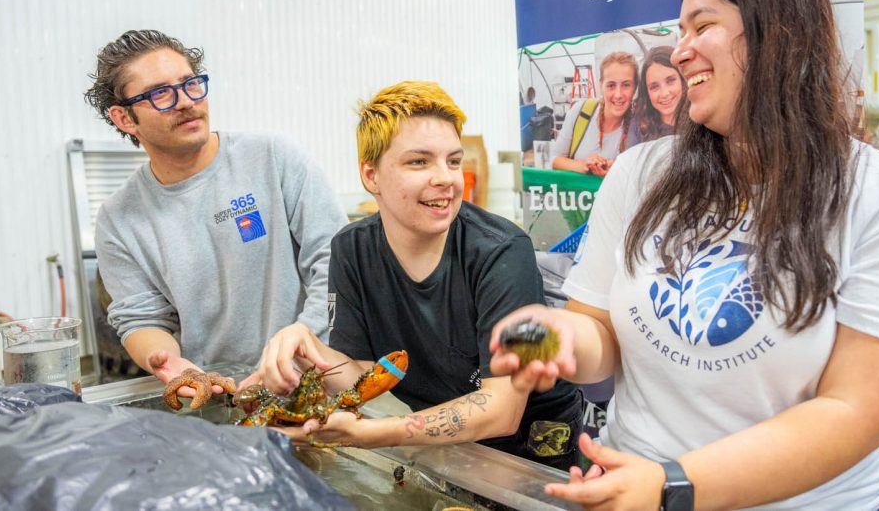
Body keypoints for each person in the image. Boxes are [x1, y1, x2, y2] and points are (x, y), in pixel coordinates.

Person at [490, 0, 879, 510]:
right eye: (679, 30)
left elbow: (853, 411)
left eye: (702, 26)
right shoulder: (641, 173)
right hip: (637, 481)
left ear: (778, 35)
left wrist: (674, 485)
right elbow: (602, 335)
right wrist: (558, 337)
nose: (680, 52)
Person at [245, 81, 585, 470]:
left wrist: (377, 434)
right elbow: (362, 375)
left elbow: (502, 409)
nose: (446, 178)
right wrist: (306, 352)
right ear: (371, 176)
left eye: (453, 161)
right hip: (448, 444)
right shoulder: (351, 249)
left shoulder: (503, 251)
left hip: (533, 449)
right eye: (419, 162)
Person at [84, 29, 347, 402]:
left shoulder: (274, 158)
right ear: (124, 118)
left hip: (311, 381)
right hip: (218, 397)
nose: (186, 102)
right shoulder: (119, 219)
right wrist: (165, 360)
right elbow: (140, 320)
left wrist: (304, 338)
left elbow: (334, 265)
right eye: (160, 94)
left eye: (191, 84)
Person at [551, 51, 638, 177]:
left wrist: (614, 172)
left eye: (626, 85)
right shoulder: (582, 111)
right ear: (601, 86)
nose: (618, 95)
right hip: (576, 196)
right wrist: (585, 165)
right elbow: (554, 159)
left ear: (635, 88)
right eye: (611, 85)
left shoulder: (640, 126)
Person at [628, 45, 685, 146]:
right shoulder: (639, 127)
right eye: (654, 87)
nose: (664, 93)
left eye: (670, 81)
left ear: (682, 79)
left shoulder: (702, 121)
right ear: (647, 93)